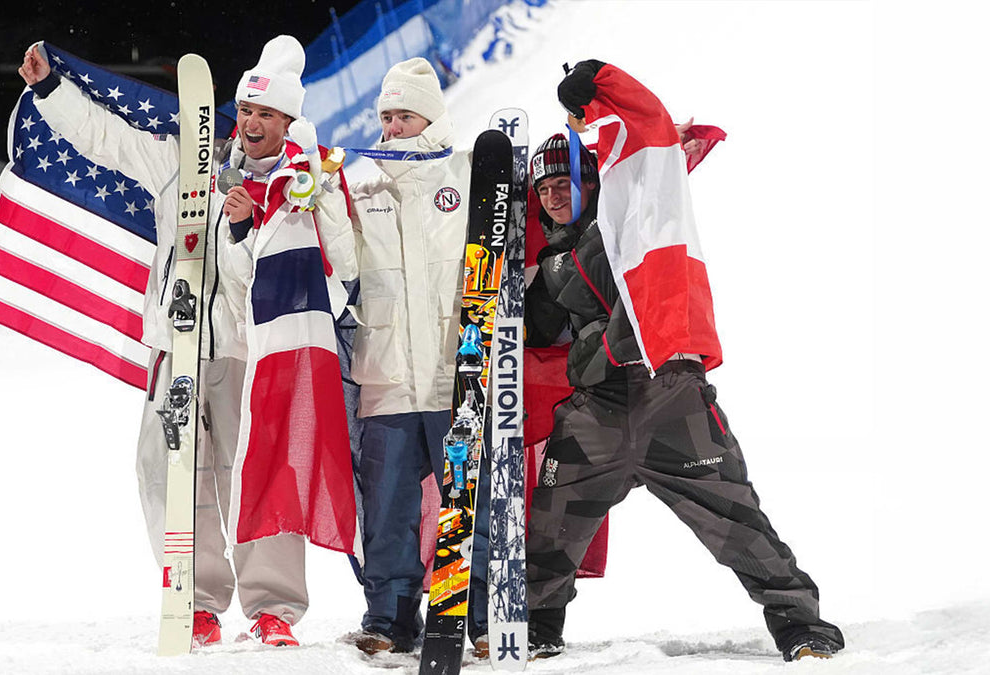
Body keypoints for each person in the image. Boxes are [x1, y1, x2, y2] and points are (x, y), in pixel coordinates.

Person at [18, 35, 356, 649]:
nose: (252, 123)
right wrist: (49, 89)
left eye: (267, 115)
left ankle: (272, 605)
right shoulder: (188, 158)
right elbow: (107, 139)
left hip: (250, 354)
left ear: (288, 123)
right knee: (167, 471)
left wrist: (250, 221)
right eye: (246, 111)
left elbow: (320, 271)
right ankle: (195, 598)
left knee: (255, 473)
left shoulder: (302, 186)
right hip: (177, 348)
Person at [521, 60, 846, 663]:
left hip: (668, 395)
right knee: (551, 523)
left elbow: (649, 141)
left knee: (735, 520)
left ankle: (800, 625)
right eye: (543, 188)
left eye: (566, 181)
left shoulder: (630, 226)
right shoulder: (552, 265)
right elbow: (538, 328)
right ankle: (538, 629)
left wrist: (599, 83)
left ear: (596, 182)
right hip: (594, 412)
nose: (555, 194)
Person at [342, 57, 491, 657]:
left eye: (404, 114)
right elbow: (343, 264)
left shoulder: (471, 172)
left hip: (457, 374)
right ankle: (389, 619)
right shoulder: (361, 183)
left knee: (470, 502)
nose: (393, 125)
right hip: (386, 373)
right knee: (388, 506)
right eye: (386, 116)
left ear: (429, 116)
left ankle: (477, 615)